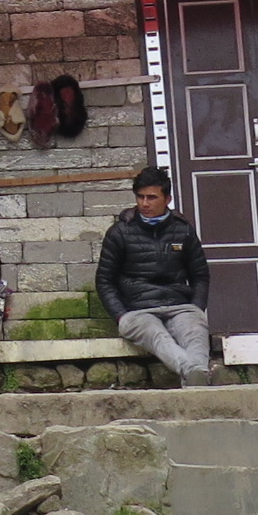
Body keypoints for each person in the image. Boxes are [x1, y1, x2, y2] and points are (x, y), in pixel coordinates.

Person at [96, 165, 216, 387]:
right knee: (157, 336)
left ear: (167, 199)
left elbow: (200, 275)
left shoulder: (183, 230)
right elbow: (104, 280)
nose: (144, 203)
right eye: (140, 197)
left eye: (151, 197)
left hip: (179, 305)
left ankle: (196, 378)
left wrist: (196, 308)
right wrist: (121, 315)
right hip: (137, 310)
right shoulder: (120, 232)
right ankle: (196, 373)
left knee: (195, 331)